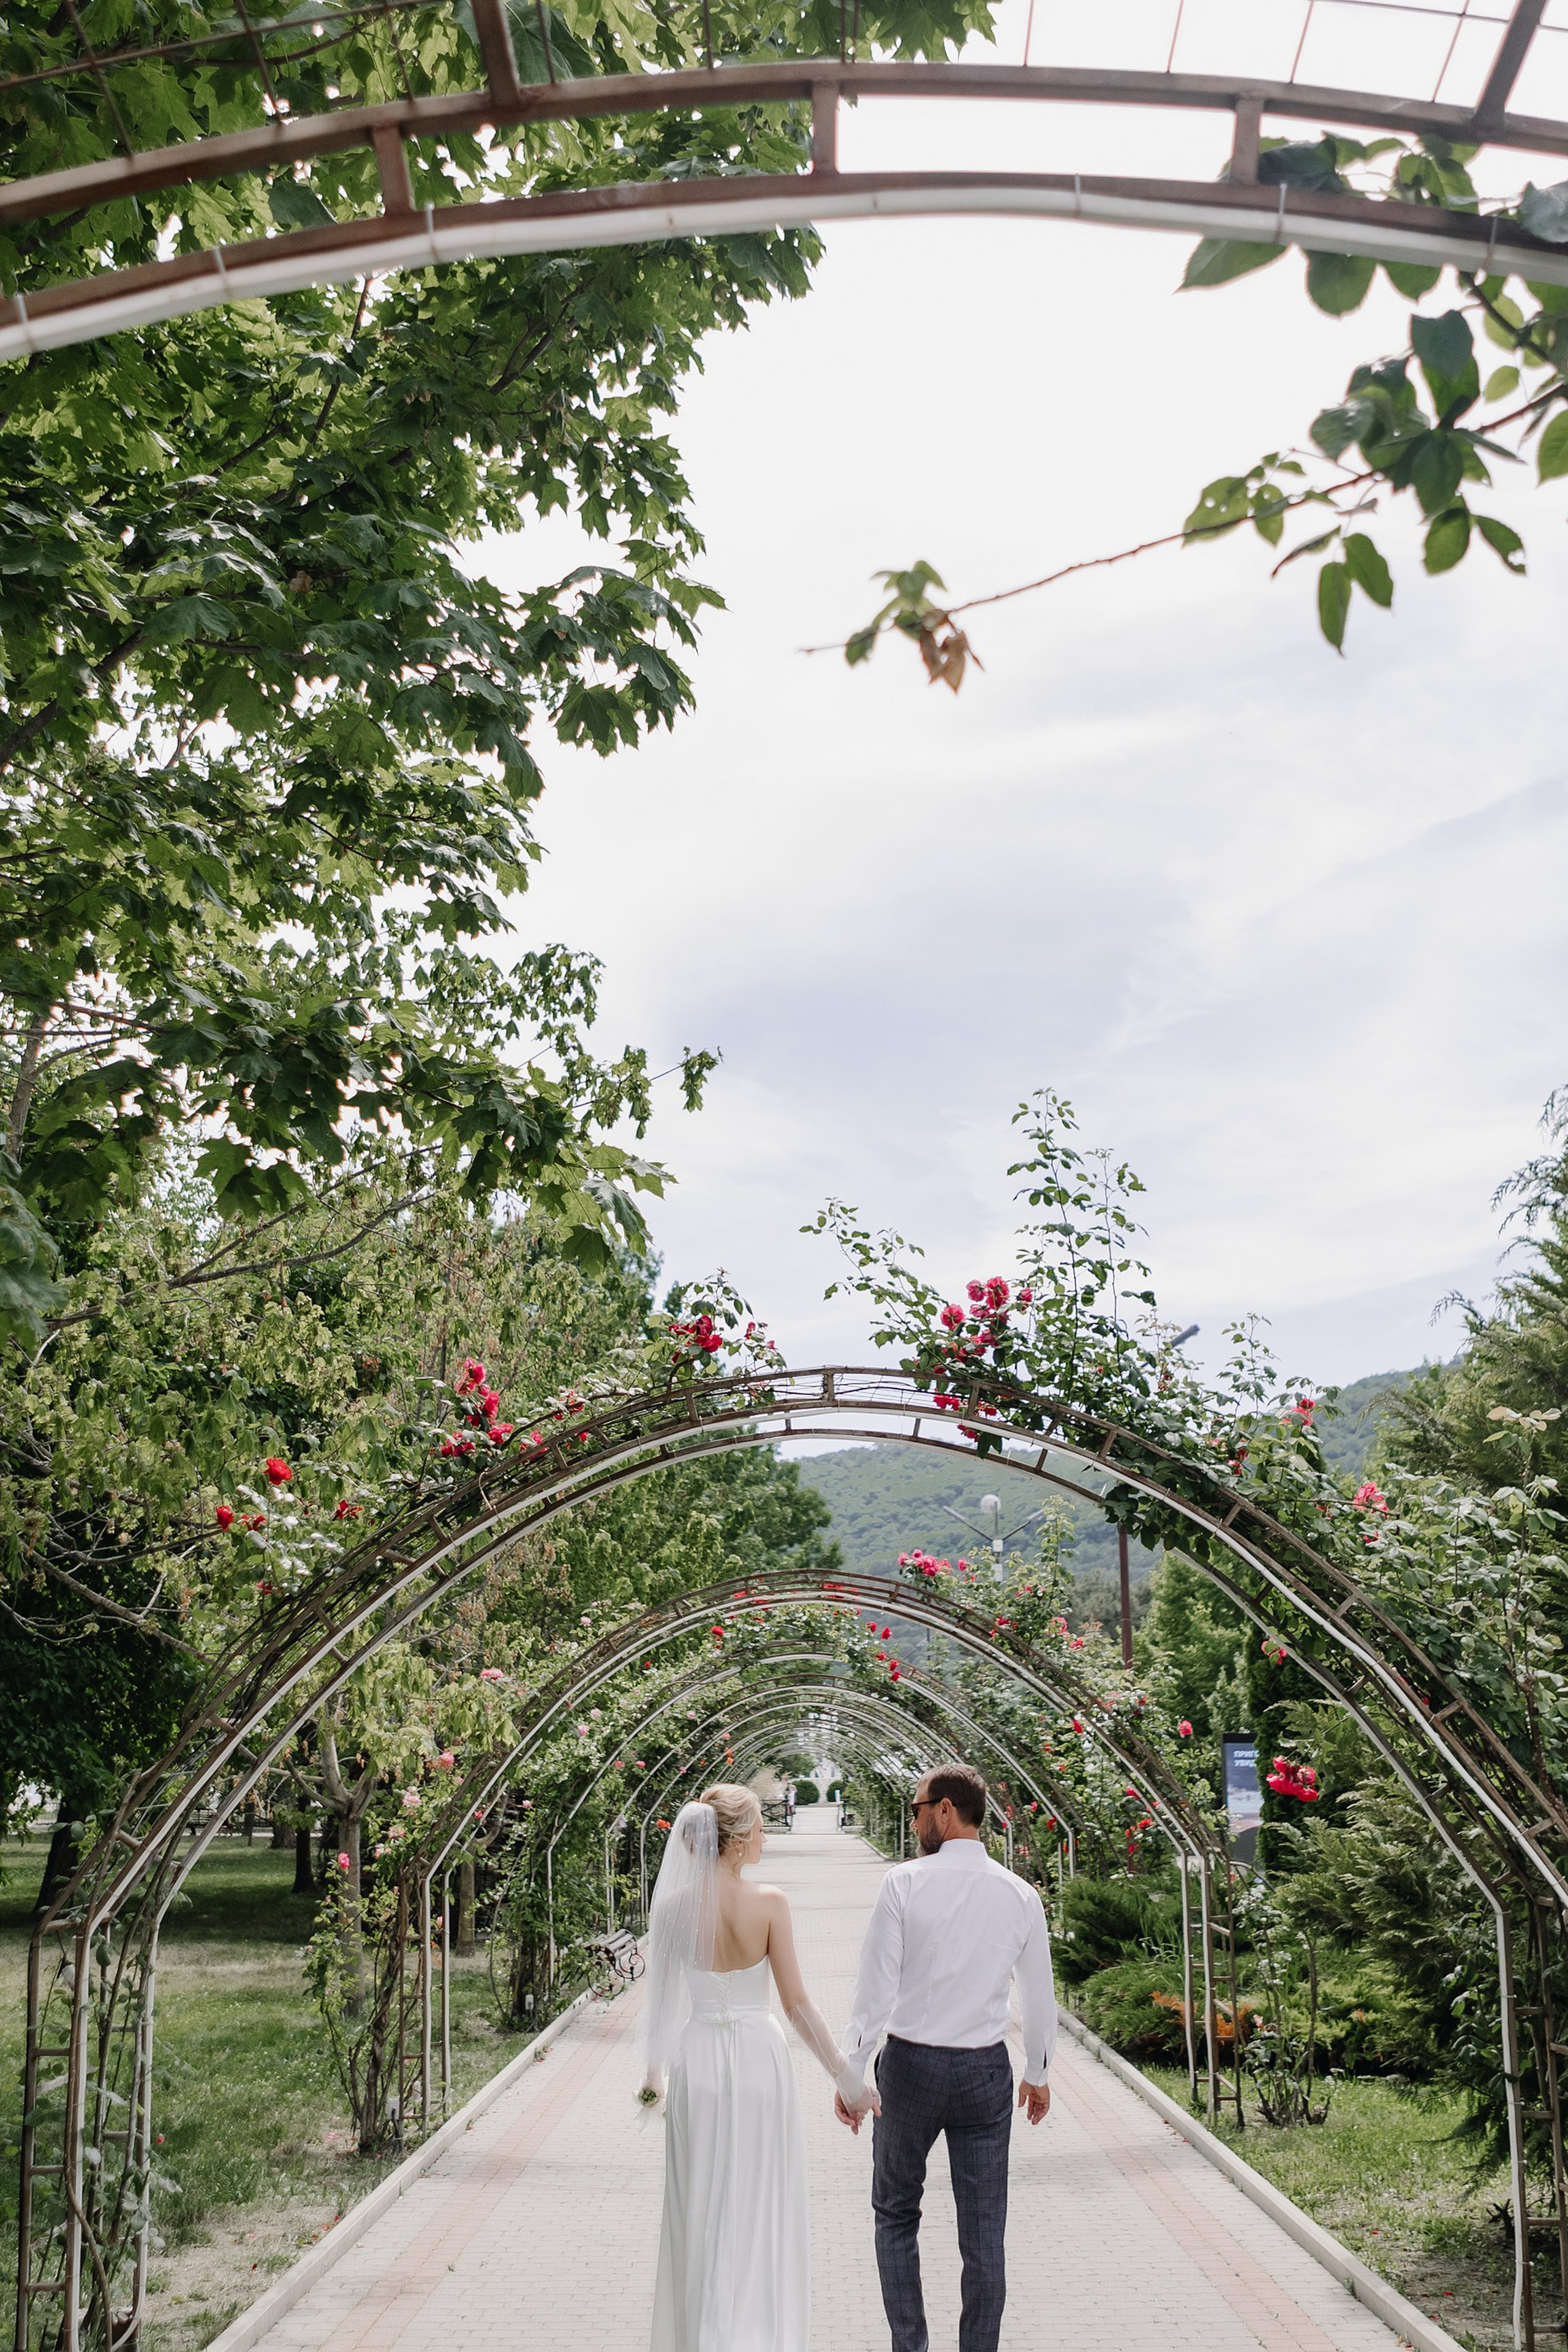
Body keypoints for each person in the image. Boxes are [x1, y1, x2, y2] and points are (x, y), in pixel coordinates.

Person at [834, 1764, 1056, 2352]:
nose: (913, 1822)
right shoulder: (1020, 1894)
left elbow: (874, 1992)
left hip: (910, 2069)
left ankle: (910, 2346)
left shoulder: (904, 1884)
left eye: (917, 1810)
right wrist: (1037, 2073)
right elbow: (1039, 1994)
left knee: (895, 2212)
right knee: (984, 2233)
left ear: (946, 1810)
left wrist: (851, 2075)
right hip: (985, 2072)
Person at [640, 1783, 843, 2352]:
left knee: (699, 2204)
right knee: (760, 2204)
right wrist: (845, 2077)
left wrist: (653, 2077)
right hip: (760, 2062)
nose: (764, 1838)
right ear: (733, 1842)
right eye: (758, 1828)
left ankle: (704, 2335)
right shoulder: (771, 1903)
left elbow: (660, 2004)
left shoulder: (673, 1909)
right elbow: (797, 2006)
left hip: (697, 2060)